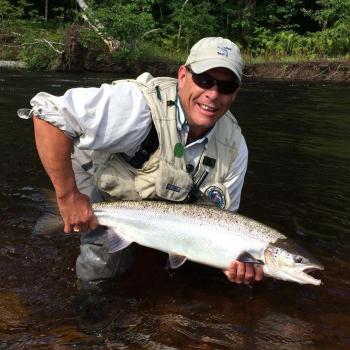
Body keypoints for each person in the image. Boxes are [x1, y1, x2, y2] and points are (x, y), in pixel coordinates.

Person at [20, 37, 263, 288]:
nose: (213, 95)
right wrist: (68, 196)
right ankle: (87, 309)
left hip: (157, 201)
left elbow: (223, 222)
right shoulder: (138, 106)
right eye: (204, 80)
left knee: (186, 271)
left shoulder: (234, 147)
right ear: (182, 75)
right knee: (105, 264)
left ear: (235, 92)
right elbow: (47, 115)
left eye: (226, 86)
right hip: (95, 170)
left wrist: (230, 259)